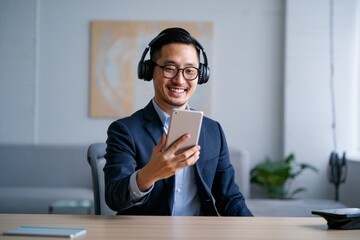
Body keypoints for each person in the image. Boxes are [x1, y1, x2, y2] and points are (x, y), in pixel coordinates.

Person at [104, 27, 253, 216]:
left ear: (201, 75)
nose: (180, 80)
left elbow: (230, 198)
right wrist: (149, 174)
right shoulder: (124, 130)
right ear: (150, 71)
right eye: (169, 68)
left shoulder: (213, 130)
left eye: (189, 70)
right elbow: (113, 198)